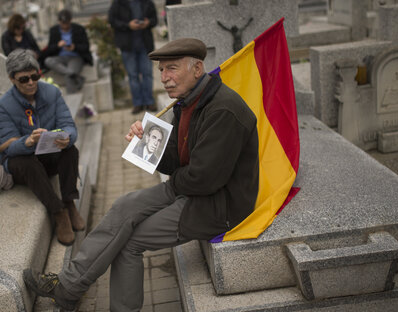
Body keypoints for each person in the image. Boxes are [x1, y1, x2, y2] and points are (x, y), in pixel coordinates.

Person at [23, 38, 260, 311]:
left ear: (197, 69)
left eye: (171, 69)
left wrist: (174, 181)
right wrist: (147, 141)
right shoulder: (187, 101)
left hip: (219, 204)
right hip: (191, 188)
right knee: (123, 206)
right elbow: (175, 162)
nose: (164, 78)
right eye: (161, 71)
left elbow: (204, 179)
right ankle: (68, 287)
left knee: (129, 242)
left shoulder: (222, 110)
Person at [0, 49, 85, 246]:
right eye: (24, 79)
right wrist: (27, 142)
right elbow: (8, 146)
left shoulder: (52, 92)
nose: (30, 82)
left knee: (71, 150)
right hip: (24, 160)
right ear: (12, 79)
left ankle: (69, 202)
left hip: (47, 152)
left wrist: (66, 137)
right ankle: (59, 212)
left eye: (35, 76)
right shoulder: (4, 105)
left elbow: (69, 125)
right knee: (26, 162)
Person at [108, 0, 158, 114]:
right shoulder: (118, 3)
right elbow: (112, 21)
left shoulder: (147, 2)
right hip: (127, 46)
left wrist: (148, 22)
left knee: (147, 74)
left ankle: (149, 102)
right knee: (133, 76)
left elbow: (154, 20)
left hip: (145, 45)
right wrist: (128, 25)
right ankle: (138, 103)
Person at [44, 9, 93, 94]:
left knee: (68, 77)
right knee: (48, 61)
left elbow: (86, 47)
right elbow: (49, 49)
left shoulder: (79, 29)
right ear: (59, 22)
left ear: (70, 21)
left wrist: (74, 47)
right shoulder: (54, 30)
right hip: (60, 57)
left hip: (75, 57)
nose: (65, 26)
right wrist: (57, 46)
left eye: (67, 23)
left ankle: (72, 100)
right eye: (63, 23)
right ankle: (76, 76)